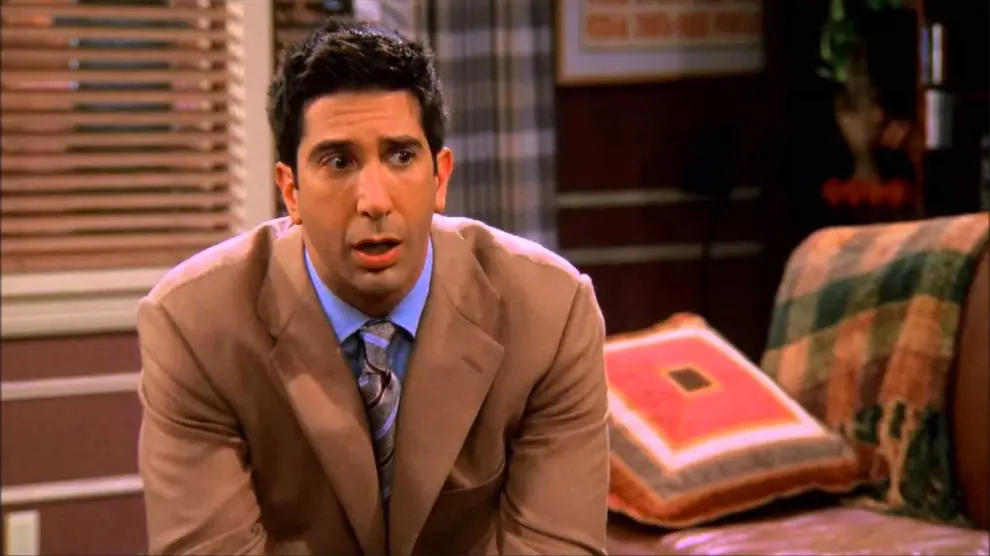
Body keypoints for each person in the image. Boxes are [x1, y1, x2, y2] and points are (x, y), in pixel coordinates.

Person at [136, 16, 610, 556]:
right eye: (339, 161)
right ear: (290, 191)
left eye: (401, 156)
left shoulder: (550, 313)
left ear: (441, 177)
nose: (375, 201)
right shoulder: (196, 326)